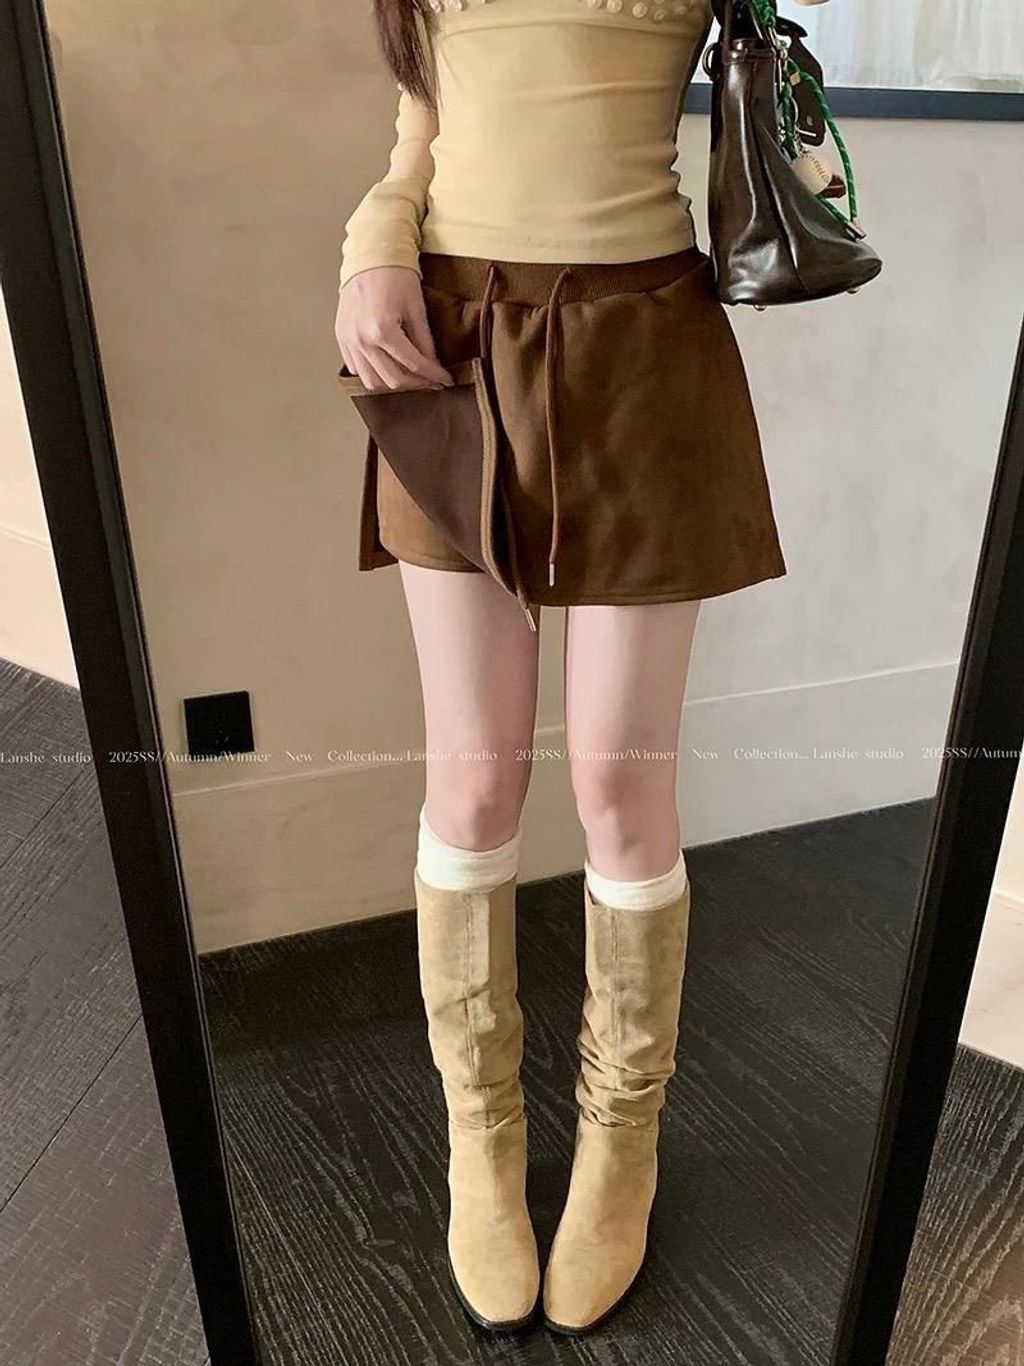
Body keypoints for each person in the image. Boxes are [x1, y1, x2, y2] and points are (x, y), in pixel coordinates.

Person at [335, 0, 825, 1336]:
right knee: (475, 779)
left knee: (618, 779)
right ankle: (481, 1135)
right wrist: (372, 246)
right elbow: (422, 120)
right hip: (449, 337)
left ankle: (620, 1140)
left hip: (642, 341)